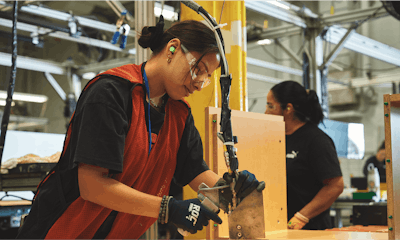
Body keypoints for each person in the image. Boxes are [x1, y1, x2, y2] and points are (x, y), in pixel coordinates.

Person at [16, 17, 262, 239]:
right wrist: (167, 207)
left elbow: (194, 171)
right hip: (63, 230)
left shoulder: (179, 114)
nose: (199, 84)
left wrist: (228, 190)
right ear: (173, 48)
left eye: (206, 77)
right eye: (198, 70)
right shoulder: (110, 93)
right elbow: (91, 185)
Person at [265, 80, 344, 230]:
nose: (266, 112)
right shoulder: (275, 138)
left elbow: (335, 185)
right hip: (278, 227)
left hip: (310, 229)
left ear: (288, 108)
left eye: (271, 106)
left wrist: (301, 217)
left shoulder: (316, 140)